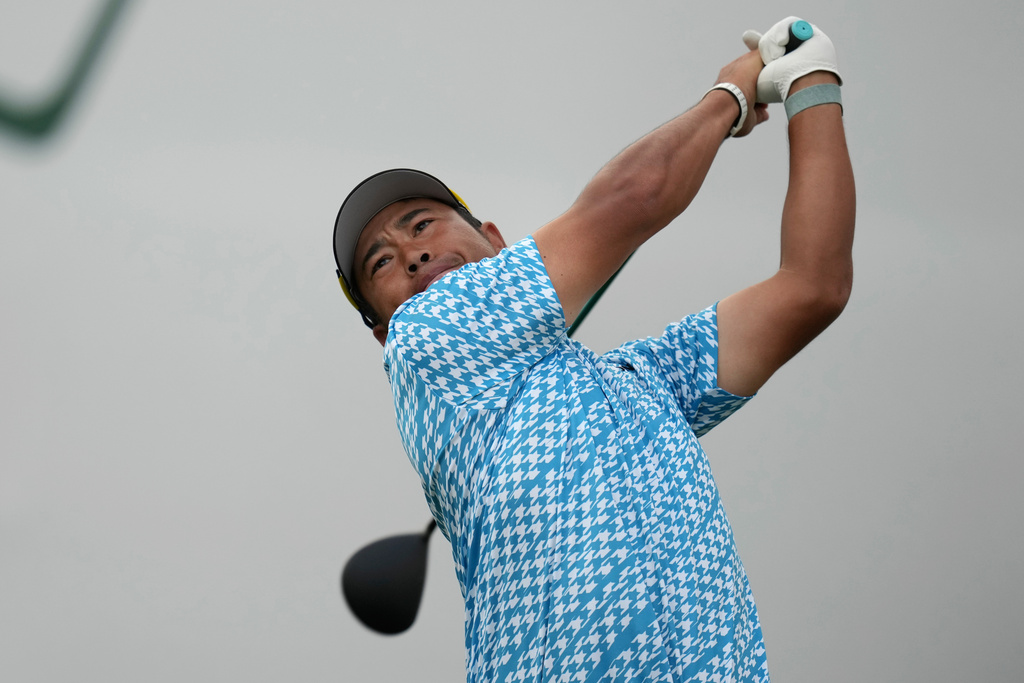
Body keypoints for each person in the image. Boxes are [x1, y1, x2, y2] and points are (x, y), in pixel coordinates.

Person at [332, 17, 853, 682]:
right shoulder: (423, 338)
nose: (412, 252)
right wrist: (731, 93)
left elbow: (814, 286)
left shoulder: (640, 381)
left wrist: (812, 85)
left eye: (422, 222)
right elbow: (635, 197)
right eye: (380, 261)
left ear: (496, 239)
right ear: (383, 330)